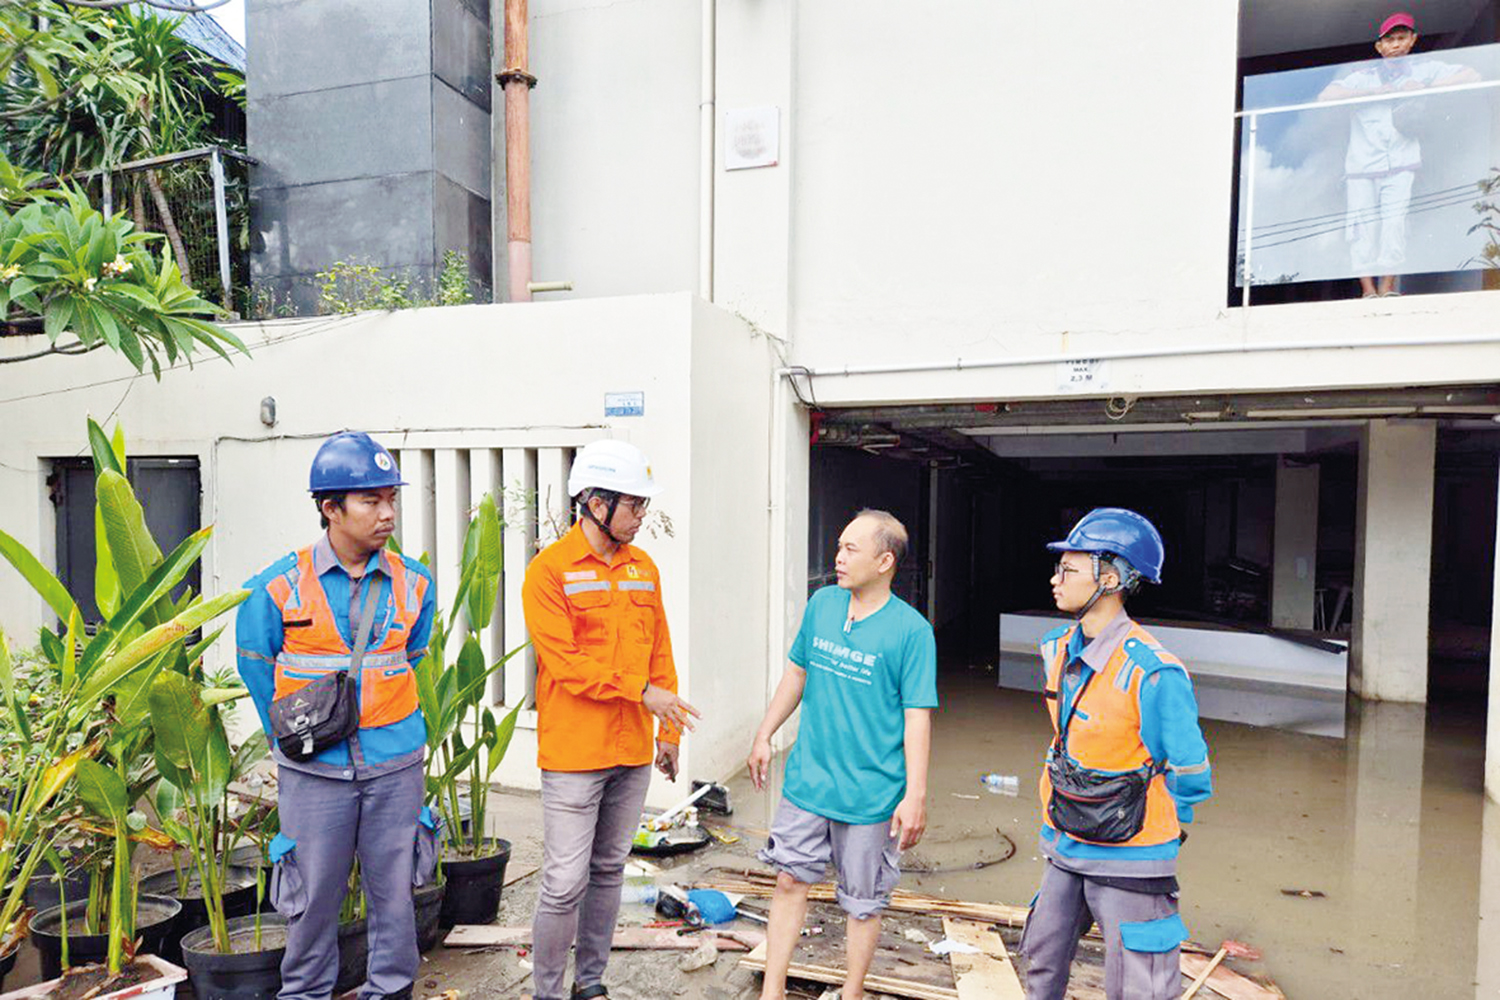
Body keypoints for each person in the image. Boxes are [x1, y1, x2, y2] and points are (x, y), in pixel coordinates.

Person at [236, 431, 437, 1000]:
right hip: (314, 773)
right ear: (331, 509)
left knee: (395, 896)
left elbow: (411, 657)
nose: (388, 514)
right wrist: (302, 735)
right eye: (371, 501)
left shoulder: (415, 583)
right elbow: (258, 670)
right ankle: (305, 993)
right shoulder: (275, 587)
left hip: (395, 769)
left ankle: (391, 990)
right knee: (311, 900)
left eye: (391, 499)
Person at [521, 439, 700, 1000]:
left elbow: (660, 652)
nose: (642, 516)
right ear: (596, 503)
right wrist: (642, 693)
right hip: (575, 754)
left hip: (629, 753)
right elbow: (567, 665)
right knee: (563, 882)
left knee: (608, 874)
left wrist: (666, 731)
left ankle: (590, 985)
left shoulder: (644, 569)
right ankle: (547, 992)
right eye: (635, 505)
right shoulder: (548, 572)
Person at [1019, 508, 1213, 1000]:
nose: (1054, 579)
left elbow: (1190, 770)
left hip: (1133, 855)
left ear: (1110, 578)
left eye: (1068, 570)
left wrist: (1167, 830)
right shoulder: (1056, 650)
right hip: (1065, 840)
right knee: (1041, 958)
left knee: (1138, 986)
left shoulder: (1153, 672)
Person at [747, 509, 937, 1000]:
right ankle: (772, 990)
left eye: (851, 548)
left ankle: (851, 992)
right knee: (789, 880)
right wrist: (765, 733)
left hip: (872, 792)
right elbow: (797, 673)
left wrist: (915, 795)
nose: (838, 557)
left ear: (885, 561)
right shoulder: (823, 604)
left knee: (862, 903)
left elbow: (918, 716)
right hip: (810, 780)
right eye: (839, 546)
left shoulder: (911, 632)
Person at [1318, 11, 1480, 298]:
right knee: (1362, 228)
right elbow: (1326, 97)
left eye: (1401, 37)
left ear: (1413, 40)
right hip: (1361, 166)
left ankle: (1388, 287)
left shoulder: (1424, 69)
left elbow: (1471, 74)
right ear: (1379, 47)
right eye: (1389, 39)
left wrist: (1426, 87)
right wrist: (1379, 92)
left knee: (1394, 223)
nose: (1395, 44)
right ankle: (1367, 290)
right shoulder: (1363, 77)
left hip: (1402, 162)